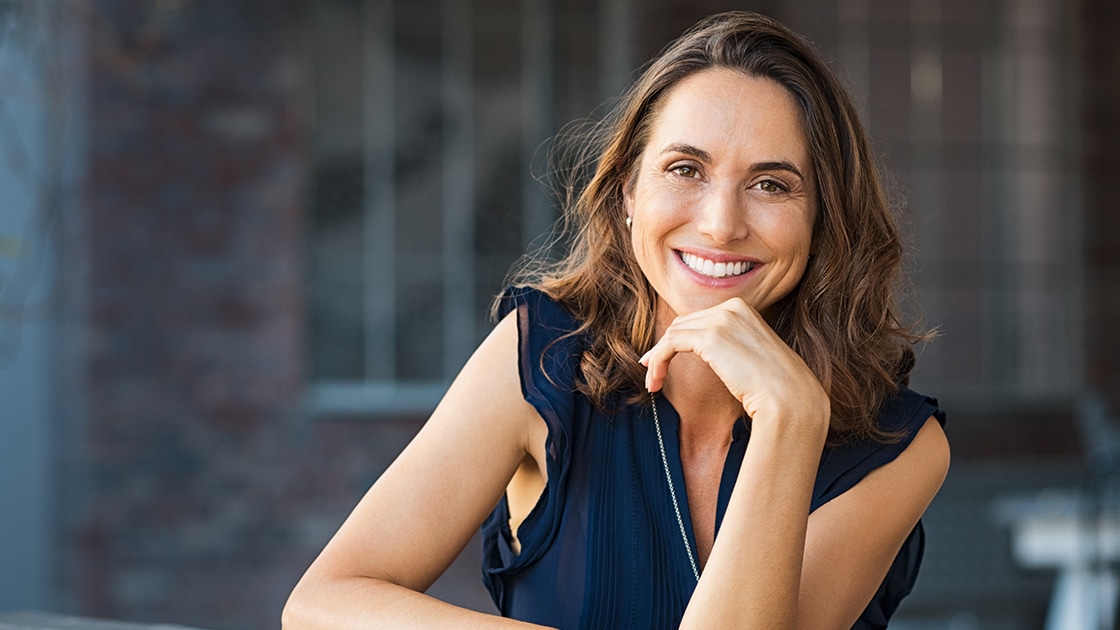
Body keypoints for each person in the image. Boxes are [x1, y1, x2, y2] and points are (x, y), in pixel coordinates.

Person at [283, 11, 950, 630]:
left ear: (823, 217)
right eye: (685, 169)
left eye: (771, 184)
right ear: (629, 192)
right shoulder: (544, 356)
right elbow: (322, 603)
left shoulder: (900, 445)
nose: (721, 225)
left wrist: (789, 421)